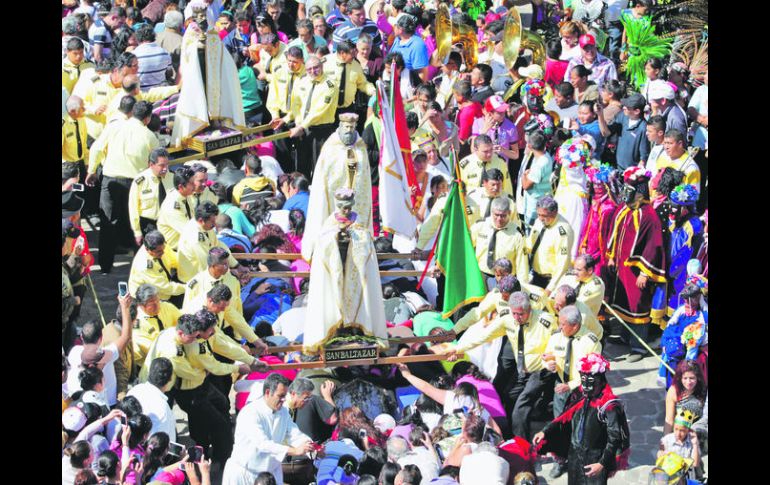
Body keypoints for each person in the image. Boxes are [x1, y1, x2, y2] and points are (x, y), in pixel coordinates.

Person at [450, 292, 556, 440]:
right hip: (522, 372)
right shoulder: (508, 319)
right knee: (507, 398)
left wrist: (551, 356)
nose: (517, 318)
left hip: (541, 371)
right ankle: (508, 437)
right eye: (514, 313)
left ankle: (521, 444)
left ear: (529, 310)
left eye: (521, 314)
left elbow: (558, 341)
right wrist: (458, 349)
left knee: (521, 406)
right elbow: (484, 336)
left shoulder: (545, 321)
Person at [302, 189, 388, 353]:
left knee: (357, 297)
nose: (346, 210)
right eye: (342, 206)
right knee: (335, 298)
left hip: (355, 266)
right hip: (336, 266)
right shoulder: (329, 222)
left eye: (348, 206)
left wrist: (354, 237)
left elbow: (366, 239)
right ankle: (337, 330)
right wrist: (336, 237)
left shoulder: (359, 220)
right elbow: (323, 242)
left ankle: (356, 329)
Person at [87, 100, 159, 273]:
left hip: (110, 181)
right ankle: (138, 266)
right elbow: (155, 162)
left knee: (107, 223)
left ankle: (105, 266)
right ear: (147, 119)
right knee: (136, 222)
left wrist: (92, 171)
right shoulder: (150, 136)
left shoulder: (114, 127)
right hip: (136, 183)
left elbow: (96, 148)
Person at [533, 353, 626, 485]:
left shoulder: (608, 405)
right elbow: (564, 417)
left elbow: (615, 437)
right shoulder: (578, 395)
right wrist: (545, 431)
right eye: (583, 378)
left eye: (591, 380)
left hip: (595, 457)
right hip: (574, 454)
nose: (586, 384)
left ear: (600, 379)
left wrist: (601, 464)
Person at [603, 167, 666, 361]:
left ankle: (639, 347)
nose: (624, 195)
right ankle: (625, 336)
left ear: (640, 193)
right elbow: (615, 233)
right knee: (622, 302)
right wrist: (612, 255)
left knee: (637, 306)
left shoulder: (649, 216)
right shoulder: (625, 209)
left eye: (629, 192)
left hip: (637, 272)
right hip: (621, 268)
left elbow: (654, 246)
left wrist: (645, 273)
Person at [300, 113, 372, 262]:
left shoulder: (361, 148)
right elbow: (323, 177)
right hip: (333, 202)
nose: (349, 130)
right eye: (346, 127)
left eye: (352, 127)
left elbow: (364, 177)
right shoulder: (330, 148)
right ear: (340, 127)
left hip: (356, 203)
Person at [222, 373, 315, 485]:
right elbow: (263, 444)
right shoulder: (250, 413)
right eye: (280, 396)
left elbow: (293, 433)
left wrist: (312, 447)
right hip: (244, 474)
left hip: (271, 474)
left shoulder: (283, 412)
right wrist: (294, 451)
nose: (284, 399)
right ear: (267, 393)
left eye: (285, 395)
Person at [182, 247, 266, 353]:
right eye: (224, 264)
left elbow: (235, 311)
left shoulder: (232, 281)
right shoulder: (195, 284)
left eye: (228, 263)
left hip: (226, 330)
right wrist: (235, 347)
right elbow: (187, 315)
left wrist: (250, 339)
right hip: (202, 336)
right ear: (212, 265)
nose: (227, 267)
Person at [271, 54, 339, 177]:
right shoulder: (303, 81)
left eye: (316, 67)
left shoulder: (330, 85)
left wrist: (301, 126)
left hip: (321, 131)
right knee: (302, 165)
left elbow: (319, 110)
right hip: (303, 130)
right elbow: (296, 105)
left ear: (322, 66)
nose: (313, 71)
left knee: (319, 166)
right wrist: (289, 119)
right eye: (309, 69)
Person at [176, 201, 244, 283]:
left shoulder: (206, 227)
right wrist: (229, 273)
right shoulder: (194, 236)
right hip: (193, 280)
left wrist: (236, 265)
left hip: (206, 274)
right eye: (212, 222)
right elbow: (206, 263)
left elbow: (219, 246)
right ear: (201, 221)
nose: (215, 225)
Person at [469, 197, 528, 286]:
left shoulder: (517, 234)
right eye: (496, 215)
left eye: (503, 215)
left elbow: (522, 265)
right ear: (491, 212)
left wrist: (522, 287)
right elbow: (466, 246)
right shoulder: (480, 226)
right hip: (481, 275)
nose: (499, 219)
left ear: (509, 213)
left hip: (505, 279)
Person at [526, 196, 574, 298]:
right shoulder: (539, 221)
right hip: (535, 274)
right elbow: (530, 244)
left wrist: (550, 288)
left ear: (554, 212)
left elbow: (563, 264)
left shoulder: (563, 232)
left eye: (544, 215)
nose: (540, 218)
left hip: (550, 281)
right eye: (539, 214)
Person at [553, 137, 591, 258]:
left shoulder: (566, 178)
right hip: (574, 199)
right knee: (574, 230)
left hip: (567, 197)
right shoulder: (580, 180)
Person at [128, 148, 175, 243]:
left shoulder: (173, 178)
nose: (165, 168)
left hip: (169, 225)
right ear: (151, 165)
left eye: (167, 164)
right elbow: (133, 208)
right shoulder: (140, 181)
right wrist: (137, 232)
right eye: (161, 165)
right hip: (149, 226)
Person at [131, 283, 182, 370]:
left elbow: (182, 321)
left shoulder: (166, 307)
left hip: (174, 350)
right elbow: (151, 349)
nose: (157, 306)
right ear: (141, 305)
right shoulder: (137, 323)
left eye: (157, 300)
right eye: (151, 304)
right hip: (152, 362)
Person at [128, 231, 185, 305]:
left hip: (163, 286)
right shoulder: (144, 265)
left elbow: (174, 259)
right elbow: (164, 287)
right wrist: (186, 288)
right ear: (147, 249)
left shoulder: (160, 246)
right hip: (147, 298)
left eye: (163, 248)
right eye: (158, 251)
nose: (163, 252)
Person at [125, 357, 176, 441]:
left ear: (149, 373)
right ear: (170, 379)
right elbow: (159, 445)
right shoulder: (163, 409)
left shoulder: (134, 390)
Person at [324, 39, 376, 121]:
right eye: (351, 54)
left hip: (347, 109)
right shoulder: (325, 62)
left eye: (355, 53)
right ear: (342, 53)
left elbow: (363, 83)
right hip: (328, 108)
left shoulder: (356, 65)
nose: (354, 56)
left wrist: (373, 91)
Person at [516, 130, 554, 233]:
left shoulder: (539, 164)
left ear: (529, 146)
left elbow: (525, 185)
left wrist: (524, 175)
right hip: (543, 198)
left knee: (532, 231)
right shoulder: (546, 156)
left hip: (534, 205)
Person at [601, 93, 650, 170]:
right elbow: (607, 132)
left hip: (630, 172)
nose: (624, 108)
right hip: (617, 166)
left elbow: (644, 155)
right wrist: (600, 115)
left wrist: (637, 171)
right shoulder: (622, 116)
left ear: (637, 111)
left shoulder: (643, 128)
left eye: (628, 107)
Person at [156, 165, 196, 251]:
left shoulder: (186, 195)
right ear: (181, 187)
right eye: (192, 183)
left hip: (186, 245)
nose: (195, 185)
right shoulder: (172, 205)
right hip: (174, 250)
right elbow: (189, 232)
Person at [664, 360, 706, 435]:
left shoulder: (704, 390)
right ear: (680, 378)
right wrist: (665, 440)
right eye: (685, 378)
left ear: (697, 378)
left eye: (692, 378)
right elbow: (669, 419)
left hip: (700, 431)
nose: (688, 382)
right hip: (681, 433)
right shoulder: (674, 391)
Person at [389, 13, 430, 83]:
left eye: (395, 26)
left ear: (400, 30)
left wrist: (418, 92)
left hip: (408, 88)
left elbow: (423, 73)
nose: (393, 27)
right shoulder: (397, 39)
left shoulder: (418, 45)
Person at [133, 24, 172, 91]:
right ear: (153, 36)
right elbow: (169, 73)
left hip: (141, 94)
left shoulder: (134, 55)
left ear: (137, 38)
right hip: (160, 94)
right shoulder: (164, 53)